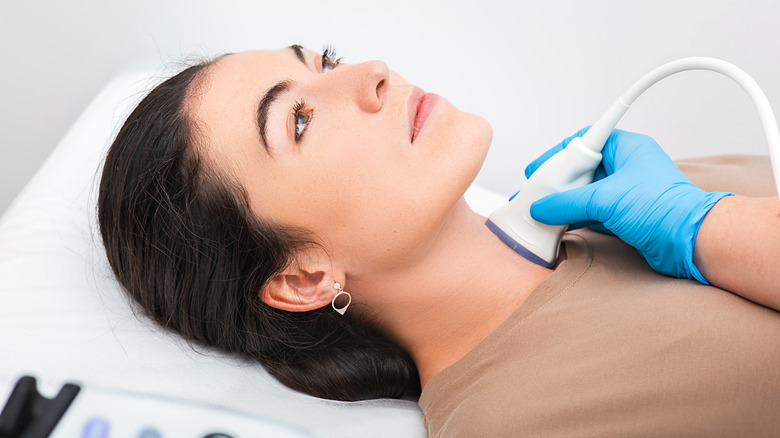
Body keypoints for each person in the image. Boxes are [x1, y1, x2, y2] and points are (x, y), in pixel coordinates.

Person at [98, 45, 780, 436]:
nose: (369, 71)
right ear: (305, 278)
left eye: (323, 60)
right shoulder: (520, 420)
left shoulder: (632, 192)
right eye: (300, 120)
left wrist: (701, 219)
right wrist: (711, 230)